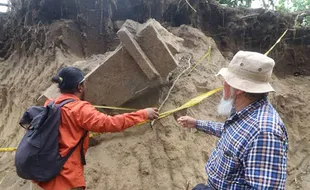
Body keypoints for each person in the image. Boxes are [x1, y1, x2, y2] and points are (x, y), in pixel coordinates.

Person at [31, 67, 159, 190]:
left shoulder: (50, 105)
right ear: (79, 87)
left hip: (42, 177)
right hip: (65, 179)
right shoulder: (79, 109)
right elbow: (109, 123)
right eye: (84, 83)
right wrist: (143, 114)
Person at [178, 51, 288, 189]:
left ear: (239, 89)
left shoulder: (265, 133)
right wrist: (196, 123)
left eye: (227, 81)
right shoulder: (246, 112)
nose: (223, 85)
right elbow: (231, 133)